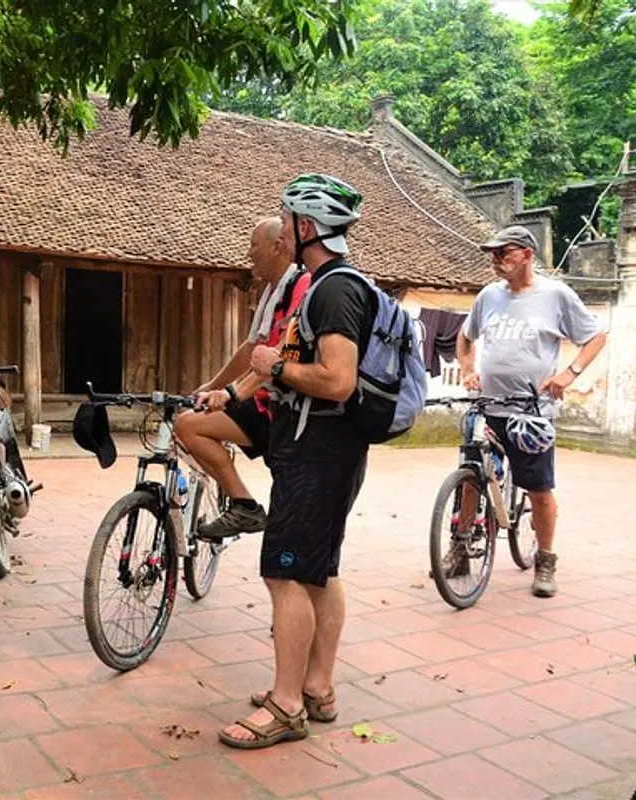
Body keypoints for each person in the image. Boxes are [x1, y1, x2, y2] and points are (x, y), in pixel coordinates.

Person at [218, 174, 370, 750]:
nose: (280, 231)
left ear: (307, 228)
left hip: (318, 454)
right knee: (318, 572)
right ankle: (317, 689)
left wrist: (273, 367)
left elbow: (337, 379)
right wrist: (241, 387)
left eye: (286, 222)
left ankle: (286, 707)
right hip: (330, 451)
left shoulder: (332, 290)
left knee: (283, 574)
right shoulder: (332, 283)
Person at [455, 225, 607, 598]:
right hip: (489, 406)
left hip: (531, 412)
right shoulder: (489, 296)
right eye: (492, 253)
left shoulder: (555, 295)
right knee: (471, 475)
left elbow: (596, 335)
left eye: (503, 252)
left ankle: (545, 560)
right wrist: (468, 368)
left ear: (526, 254)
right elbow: (465, 336)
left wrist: (568, 374)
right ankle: (459, 548)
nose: (495, 260)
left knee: (538, 489)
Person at [175, 217, 310, 538]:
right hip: (259, 400)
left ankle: (244, 506)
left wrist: (232, 392)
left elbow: (279, 354)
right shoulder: (272, 290)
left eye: (254, 246)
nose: (249, 254)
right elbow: (250, 348)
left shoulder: (300, 285)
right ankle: (240, 503)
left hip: (277, 410)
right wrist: (214, 385)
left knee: (187, 426)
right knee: (188, 423)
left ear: (277, 247)